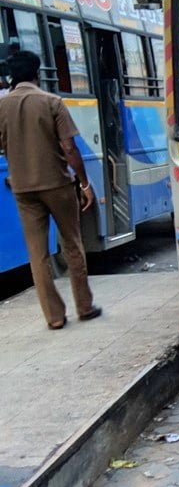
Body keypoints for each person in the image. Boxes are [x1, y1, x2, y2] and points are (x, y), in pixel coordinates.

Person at [0, 50, 100, 329]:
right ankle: (84, 306)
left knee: (37, 253)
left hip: (22, 189)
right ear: (37, 73)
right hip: (57, 185)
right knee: (72, 244)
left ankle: (54, 318)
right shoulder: (51, 102)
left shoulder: (2, 106)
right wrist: (83, 183)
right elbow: (69, 147)